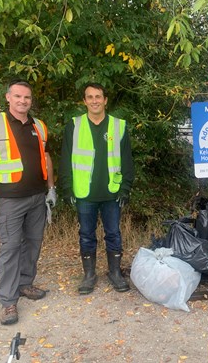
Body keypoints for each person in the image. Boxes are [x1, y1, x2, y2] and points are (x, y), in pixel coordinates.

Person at [0, 80, 57, 325]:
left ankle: (25, 284)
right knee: (10, 248)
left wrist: (51, 188)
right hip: (10, 199)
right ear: (8, 98)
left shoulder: (39, 126)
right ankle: (8, 301)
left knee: (33, 244)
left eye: (27, 98)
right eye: (18, 96)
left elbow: (47, 157)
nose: (23, 101)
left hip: (37, 197)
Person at [59, 83, 134, 295]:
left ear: (105, 100)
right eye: (90, 97)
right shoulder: (73, 126)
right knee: (86, 235)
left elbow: (127, 160)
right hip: (84, 193)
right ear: (84, 101)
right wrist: (66, 188)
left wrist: (125, 188)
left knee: (114, 234)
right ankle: (89, 276)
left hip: (112, 192)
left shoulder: (119, 126)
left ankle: (115, 273)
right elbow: (65, 160)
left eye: (98, 96)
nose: (94, 101)